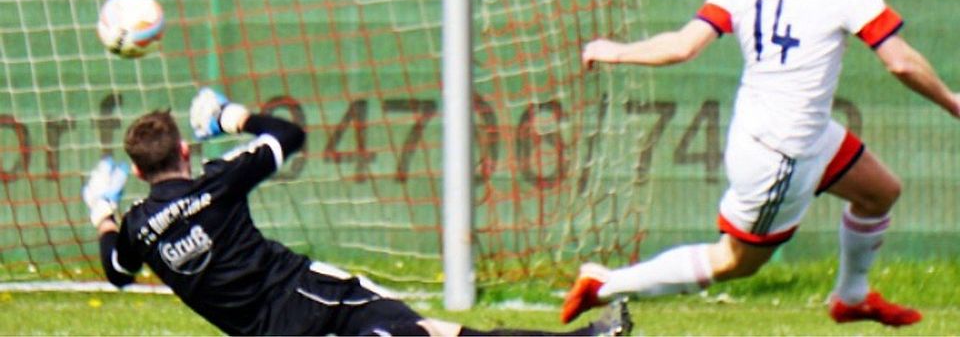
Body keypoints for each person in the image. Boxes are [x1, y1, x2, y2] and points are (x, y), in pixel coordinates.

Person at [561, 0, 960, 328]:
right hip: (782, 151)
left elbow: (682, 46)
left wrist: (615, 51)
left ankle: (851, 297)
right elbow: (900, 62)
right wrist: (951, 102)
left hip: (799, 133)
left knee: (879, 192)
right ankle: (605, 285)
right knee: (734, 261)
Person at [82, 87, 632, 336]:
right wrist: (231, 118)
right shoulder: (218, 181)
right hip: (313, 299)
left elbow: (116, 269)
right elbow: (288, 135)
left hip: (267, 331)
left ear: (137, 172)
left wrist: (103, 212)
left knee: (438, 333)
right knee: (429, 334)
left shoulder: (138, 229)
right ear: (183, 151)